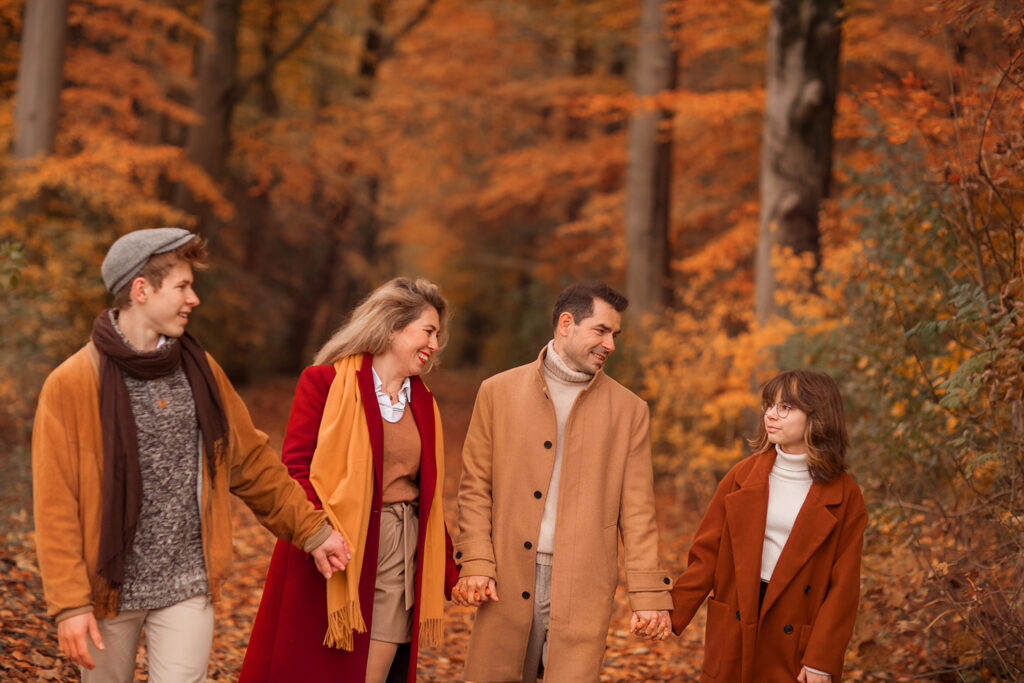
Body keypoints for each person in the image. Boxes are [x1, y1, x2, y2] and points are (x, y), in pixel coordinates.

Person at [32, 228, 351, 683]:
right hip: (108, 589)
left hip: (187, 584)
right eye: (182, 286)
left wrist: (313, 532)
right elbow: (55, 504)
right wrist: (69, 605)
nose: (193, 299)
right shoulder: (72, 384)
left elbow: (251, 463)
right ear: (141, 290)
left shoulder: (201, 371)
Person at [453, 281, 674, 683]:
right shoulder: (496, 392)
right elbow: (474, 490)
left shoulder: (630, 411)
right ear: (566, 324)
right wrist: (476, 561)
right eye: (601, 331)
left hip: (585, 581)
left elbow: (639, 511)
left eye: (615, 335)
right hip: (507, 573)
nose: (610, 344)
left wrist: (648, 596)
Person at [240, 277, 458, 683]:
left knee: (371, 674)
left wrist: (449, 567)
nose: (434, 344)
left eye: (438, 335)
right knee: (310, 668)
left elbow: (425, 496)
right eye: (428, 331)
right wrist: (318, 533)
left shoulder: (422, 400)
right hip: (329, 546)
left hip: (398, 552)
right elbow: (296, 469)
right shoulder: (323, 382)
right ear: (393, 326)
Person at [669, 369, 867, 682]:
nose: (771, 415)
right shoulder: (741, 476)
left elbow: (843, 587)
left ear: (817, 416)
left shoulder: (845, 495)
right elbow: (707, 554)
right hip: (738, 611)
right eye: (768, 406)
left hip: (795, 627)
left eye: (785, 408)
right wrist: (669, 613)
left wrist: (822, 660)